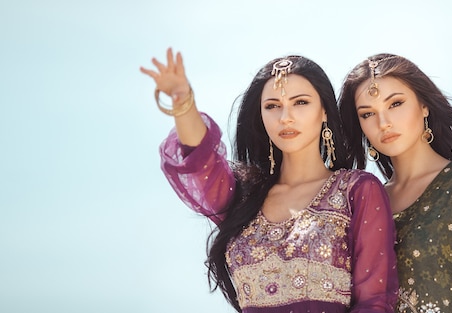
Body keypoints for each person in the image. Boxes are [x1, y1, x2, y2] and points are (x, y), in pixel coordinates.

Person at [140, 48, 398, 313]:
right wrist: (183, 104)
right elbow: (200, 163)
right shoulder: (243, 197)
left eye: (300, 103)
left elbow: (375, 301)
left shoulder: (356, 190)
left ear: (324, 111)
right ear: (261, 117)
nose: (285, 117)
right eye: (272, 106)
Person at [337, 53, 452, 313]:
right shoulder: (361, 202)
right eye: (367, 114)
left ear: (424, 105)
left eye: (395, 104)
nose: (383, 123)